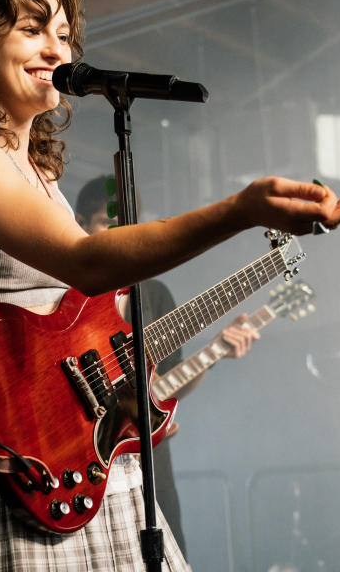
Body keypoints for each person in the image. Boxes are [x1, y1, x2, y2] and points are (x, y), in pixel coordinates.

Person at [0, 0, 340, 571]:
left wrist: (124, 399)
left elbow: (68, 316)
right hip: (18, 463)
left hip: (85, 455)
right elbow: (84, 263)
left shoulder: (41, 176)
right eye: (32, 29)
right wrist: (240, 210)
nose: (56, 48)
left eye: (65, 36)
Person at [74, 175, 260, 555]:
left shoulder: (153, 294)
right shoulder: (72, 298)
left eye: (128, 224)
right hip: (84, 455)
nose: (119, 234)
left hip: (149, 459)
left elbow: (168, 386)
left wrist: (217, 349)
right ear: (80, 222)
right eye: (107, 223)